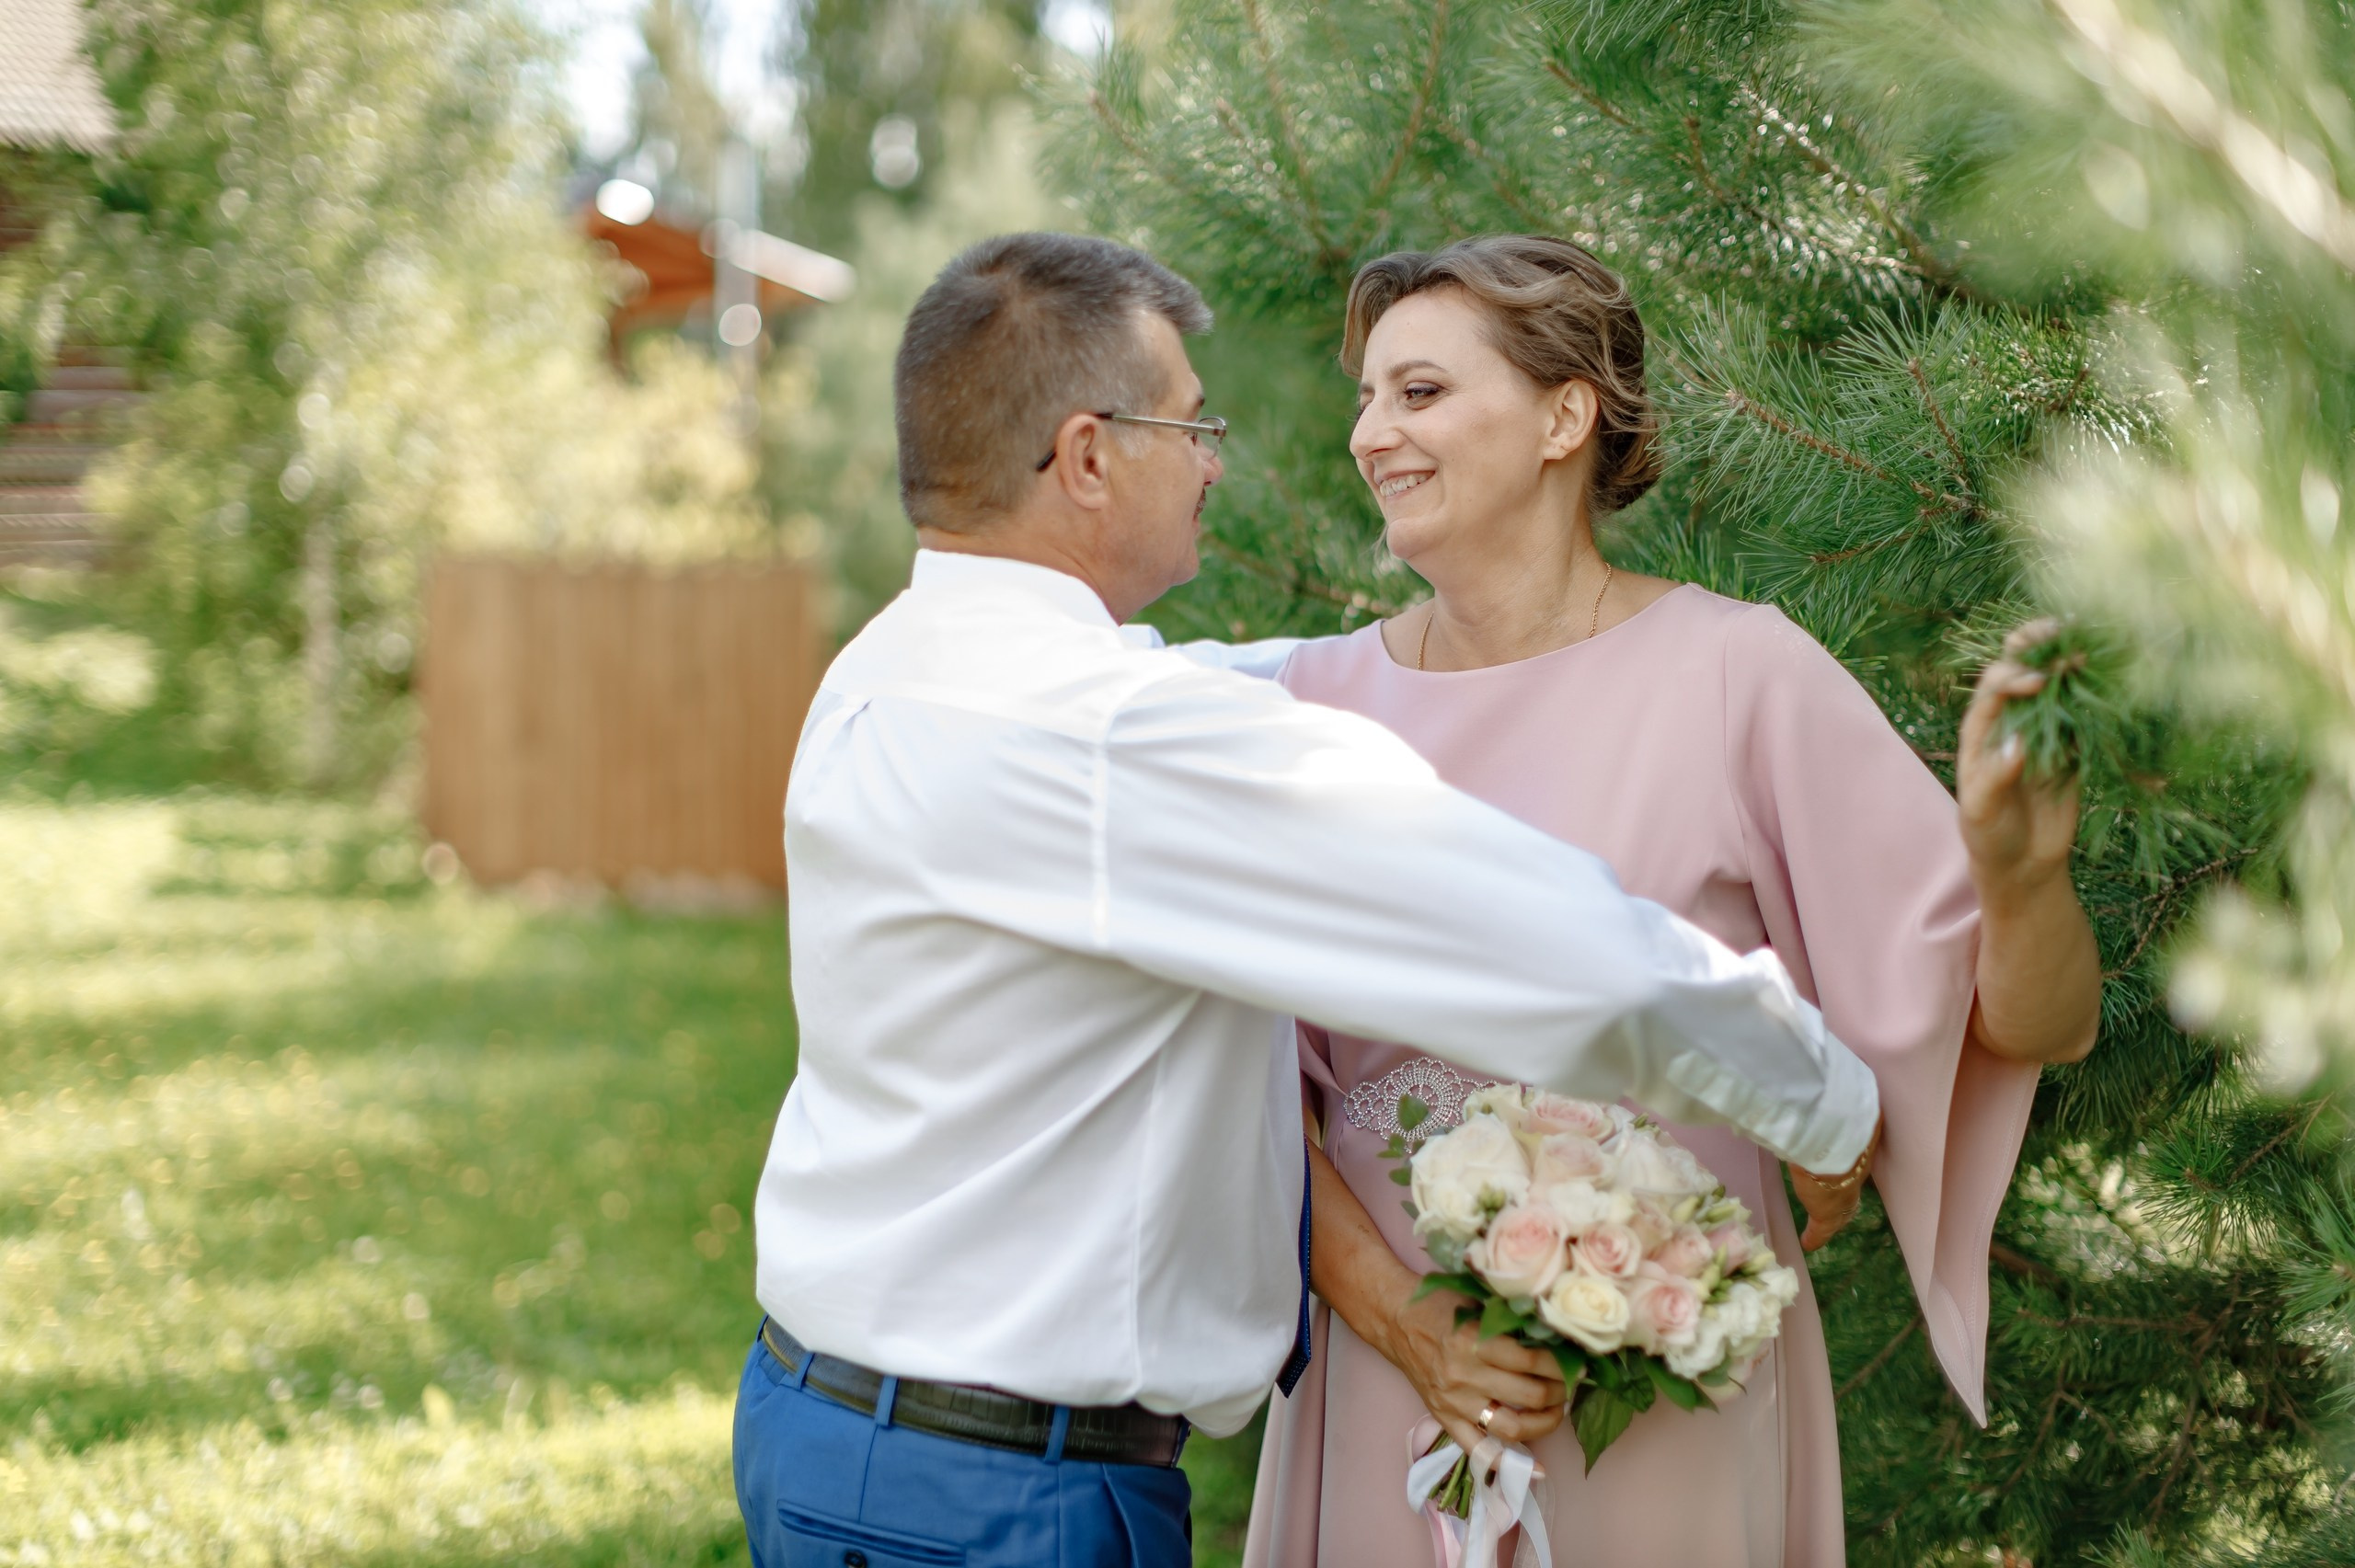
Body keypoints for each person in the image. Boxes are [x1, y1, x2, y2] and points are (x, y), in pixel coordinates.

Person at [733, 232, 1883, 1568]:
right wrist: (1818, 1099)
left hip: (813, 1429)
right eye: (1192, 426)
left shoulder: (892, 671)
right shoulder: (1123, 744)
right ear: (1089, 457)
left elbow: (1211, 684)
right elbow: (1536, 939)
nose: (1215, 462)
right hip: (1007, 1500)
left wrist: (1440, 665)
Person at [1242, 235, 2104, 1567]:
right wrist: (1404, 1322)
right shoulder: (1309, 707)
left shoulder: (1739, 676)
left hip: (1673, 1410)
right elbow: (1247, 1088)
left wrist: (2024, 873)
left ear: (1564, 417)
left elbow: (2032, 1023)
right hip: (1392, 1392)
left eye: (1418, 392)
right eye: (1367, 398)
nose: (1369, 435)